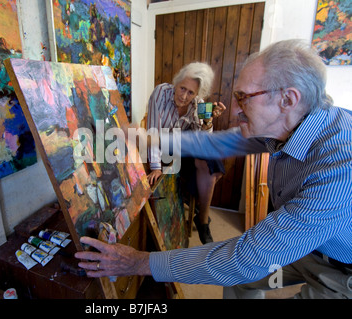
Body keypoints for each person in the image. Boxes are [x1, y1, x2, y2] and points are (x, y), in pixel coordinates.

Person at [75, 39, 352, 299]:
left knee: (242, 269)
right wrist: (149, 138)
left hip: (340, 273)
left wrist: (139, 262)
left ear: (288, 100)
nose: (234, 110)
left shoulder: (339, 167)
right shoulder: (292, 121)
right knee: (241, 281)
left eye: (244, 97)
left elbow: (245, 258)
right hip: (308, 251)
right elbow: (218, 144)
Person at [146, 62, 226, 244]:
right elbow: (152, 132)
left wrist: (208, 122)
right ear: (176, 82)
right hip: (162, 146)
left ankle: (203, 220)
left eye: (191, 93)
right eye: (182, 88)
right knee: (206, 173)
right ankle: (198, 207)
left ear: (197, 94)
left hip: (184, 151)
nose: (184, 96)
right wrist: (156, 167)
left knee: (210, 163)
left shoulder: (197, 105)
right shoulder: (160, 94)